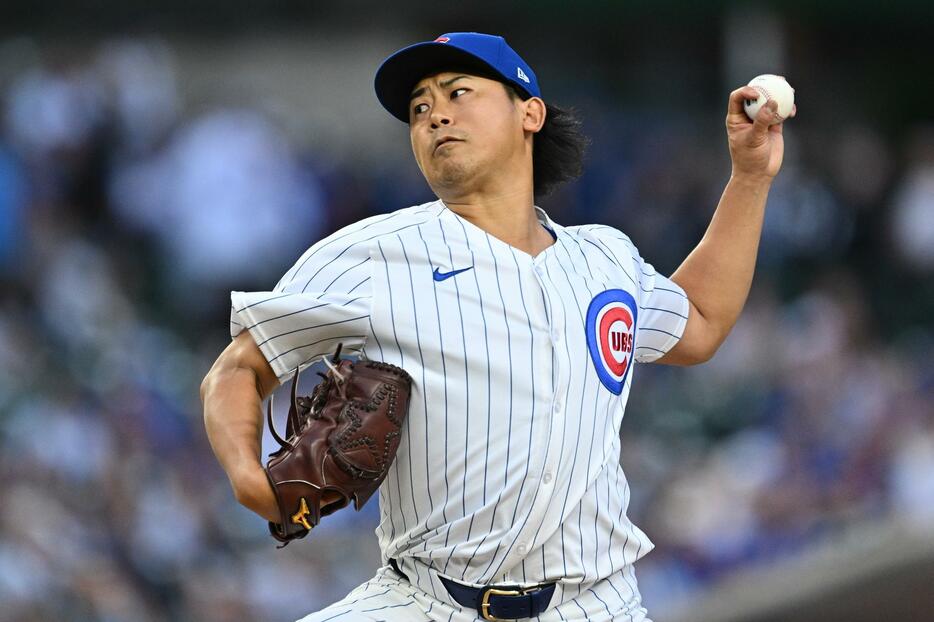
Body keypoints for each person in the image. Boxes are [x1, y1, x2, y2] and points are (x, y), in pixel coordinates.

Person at [201, 32, 795, 622]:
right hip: (425, 601)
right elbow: (238, 368)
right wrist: (249, 478)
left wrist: (749, 178)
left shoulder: (604, 258)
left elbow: (701, 322)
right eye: (419, 110)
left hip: (594, 605)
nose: (436, 116)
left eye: (458, 92)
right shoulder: (371, 255)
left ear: (529, 113)